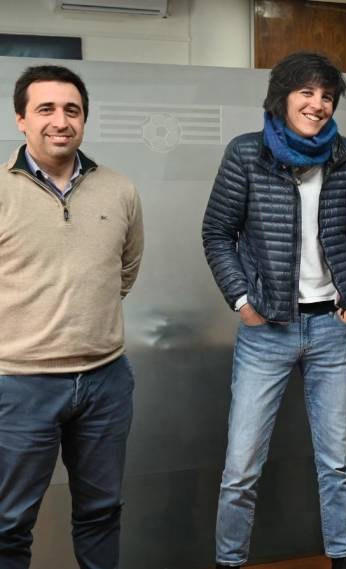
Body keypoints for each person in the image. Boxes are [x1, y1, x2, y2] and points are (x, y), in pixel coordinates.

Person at [202, 52, 346, 569]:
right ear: (283, 96)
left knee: (336, 464)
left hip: (332, 328)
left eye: (327, 96)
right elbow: (217, 233)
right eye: (306, 92)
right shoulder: (247, 152)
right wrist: (243, 302)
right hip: (266, 330)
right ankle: (229, 561)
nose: (317, 104)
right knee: (241, 467)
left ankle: (343, 559)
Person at [0, 65, 144, 569]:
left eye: (72, 110)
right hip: (20, 384)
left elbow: (125, 270)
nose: (60, 121)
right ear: (21, 119)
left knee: (101, 513)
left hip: (105, 381)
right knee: (8, 523)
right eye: (45, 109)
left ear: (84, 119)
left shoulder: (119, 189)